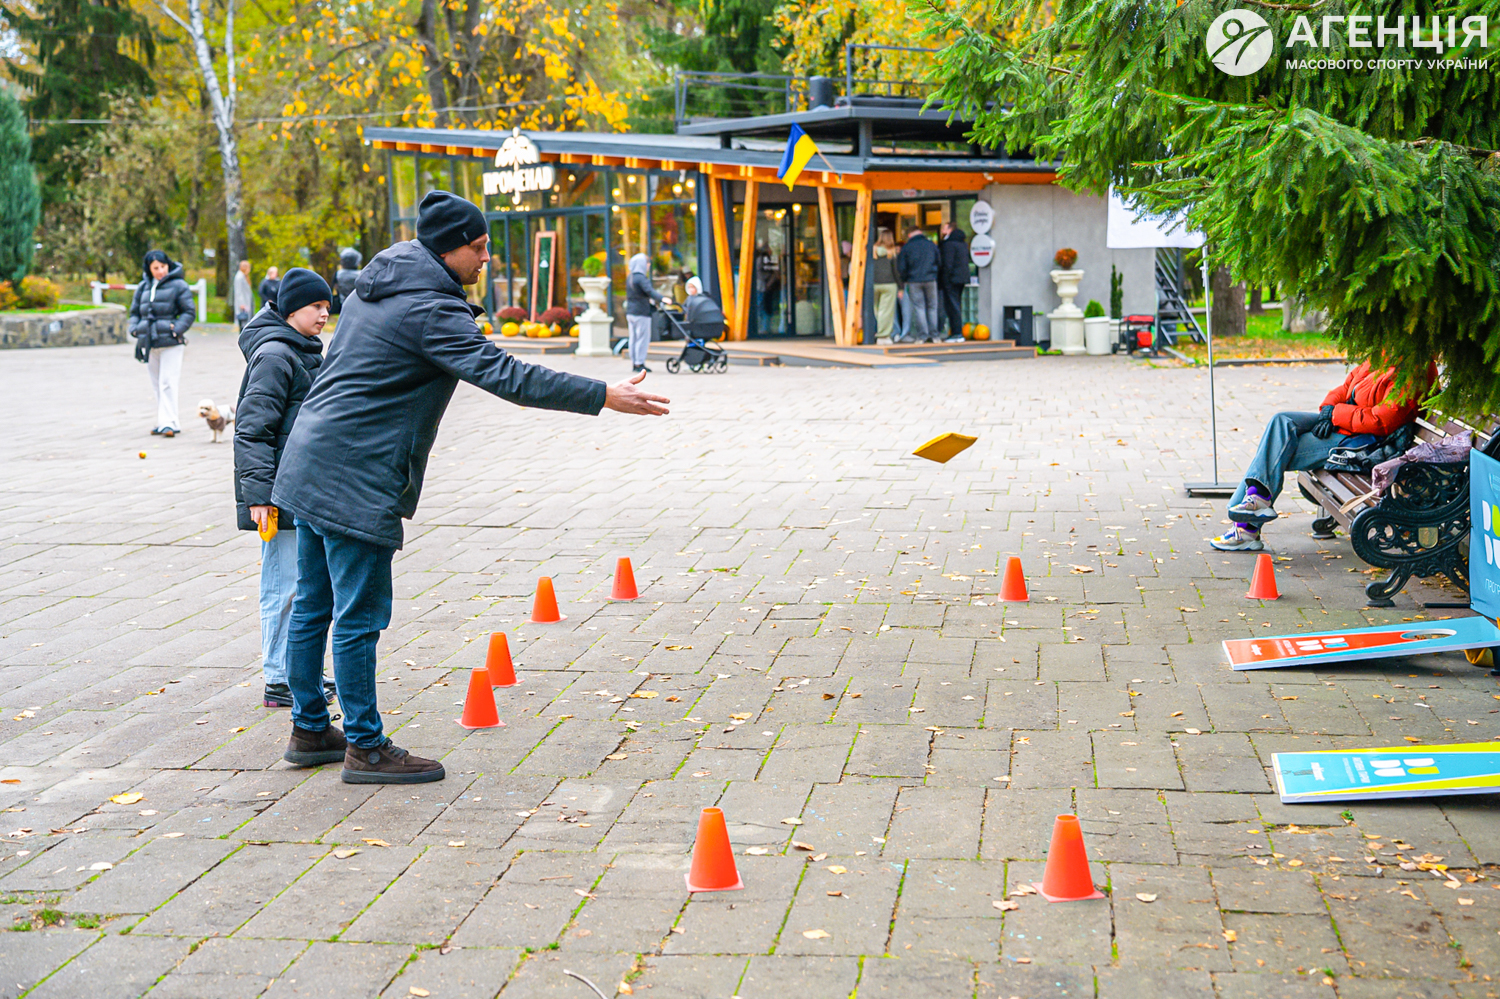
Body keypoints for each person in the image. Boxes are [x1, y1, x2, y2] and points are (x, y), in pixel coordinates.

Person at [271, 191, 670, 784]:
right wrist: (603, 395)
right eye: (478, 248)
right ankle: (365, 747)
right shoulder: (430, 309)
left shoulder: (376, 284)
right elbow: (506, 375)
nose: (487, 258)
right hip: (356, 474)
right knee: (358, 615)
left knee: (313, 603)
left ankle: (309, 730)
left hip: (309, 458)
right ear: (446, 248)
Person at [234, 268, 337, 709]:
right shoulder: (276, 355)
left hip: (302, 487)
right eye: (316, 306)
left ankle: (299, 671)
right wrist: (258, 497)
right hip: (277, 495)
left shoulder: (302, 350)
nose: (324, 314)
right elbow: (252, 430)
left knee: (303, 585)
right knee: (283, 586)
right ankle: (280, 678)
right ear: (293, 309)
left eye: (327, 306)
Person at [1212, 358, 1439, 552]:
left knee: (1274, 451)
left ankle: (1246, 527)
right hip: (1345, 426)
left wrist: (1336, 414)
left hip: (1366, 443)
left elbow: (1382, 420)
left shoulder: (1414, 367)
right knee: (1281, 422)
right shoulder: (1383, 354)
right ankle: (1252, 512)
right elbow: (1345, 387)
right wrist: (1328, 409)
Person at [128, 249, 195, 437]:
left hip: (171, 342)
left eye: (163, 266)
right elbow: (134, 312)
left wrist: (176, 329)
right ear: (149, 269)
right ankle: (164, 421)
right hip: (149, 341)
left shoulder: (179, 285)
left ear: (168, 265)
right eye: (155, 268)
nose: (160, 271)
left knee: (168, 382)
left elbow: (189, 311)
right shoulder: (144, 287)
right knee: (157, 383)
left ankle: (169, 423)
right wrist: (135, 329)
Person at [896, 225, 939, 342]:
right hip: (930, 279)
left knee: (919, 308)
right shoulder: (931, 245)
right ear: (920, 232)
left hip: (914, 280)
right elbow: (939, 261)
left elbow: (901, 267)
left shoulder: (907, 247)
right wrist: (934, 274)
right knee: (932, 307)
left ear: (909, 235)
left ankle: (922, 336)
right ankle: (934, 335)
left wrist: (905, 279)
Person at [625, 253, 665, 373]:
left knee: (633, 338)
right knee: (642, 338)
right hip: (641, 312)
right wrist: (662, 298)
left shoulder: (630, 277)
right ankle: (639, 363)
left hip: (630, 312)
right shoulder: (641, 278)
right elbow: (650, 291)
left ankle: (634, 362)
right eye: (647, 263)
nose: (648, 266)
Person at [938, 222, 970, 342]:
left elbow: (947, 264)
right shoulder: (962, 243)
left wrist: (945, 280)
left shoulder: (949, 244)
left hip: (951, 279)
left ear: (949, 229)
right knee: (956, 305)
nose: (942, 230)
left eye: (944, 228)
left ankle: (957, 333)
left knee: (952, 306)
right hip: (961, 278)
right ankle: (957, 332)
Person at [871, 228, 901, 341]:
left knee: (877, 310)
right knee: (886, 311)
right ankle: (883, 336)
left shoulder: (872, 250)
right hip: (889, 284)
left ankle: (880, 331)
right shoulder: (891, 251)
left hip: (874, 283)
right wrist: (901, 287)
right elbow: (895, 271)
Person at [333, 247, 363, 315]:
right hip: (359, 304)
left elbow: (334, 289)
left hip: (343, 304)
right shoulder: (361, 274)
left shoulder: (338, 274)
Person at [233, 259, 255, 331]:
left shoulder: (243, 276)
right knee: (243, 321)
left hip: (246, 302)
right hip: (243, 304)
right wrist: (241, 303)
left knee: (246, 321)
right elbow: (238, 291)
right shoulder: (239, 277)